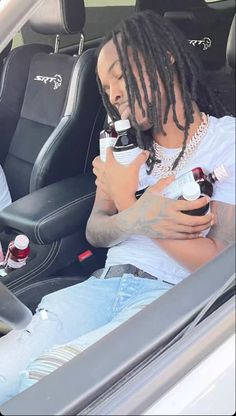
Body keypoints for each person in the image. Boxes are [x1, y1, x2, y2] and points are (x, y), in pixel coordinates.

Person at [0, 10, 235, 404]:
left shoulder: (226, 142)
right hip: (101, 287)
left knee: (44, 386)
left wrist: (130, 203)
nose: (115, 94)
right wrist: (133, 214)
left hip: (170, 299)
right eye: (107, 89)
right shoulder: (119, 146)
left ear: (165, 57)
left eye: (122, 77)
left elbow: (219, 266)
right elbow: (97, 230)